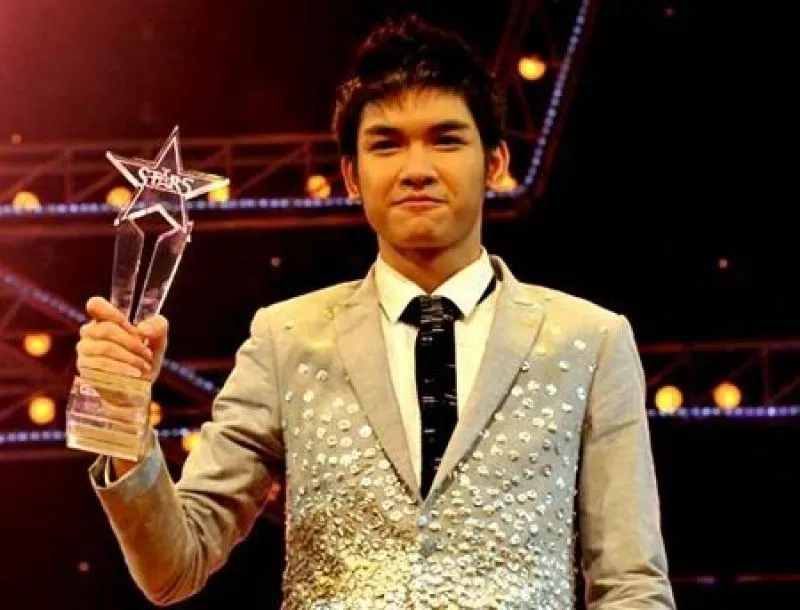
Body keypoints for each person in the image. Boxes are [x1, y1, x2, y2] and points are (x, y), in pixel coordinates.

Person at [77, 14, 675, 609]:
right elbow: (173, 569)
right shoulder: (286, 339)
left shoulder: (590, 341)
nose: (417, 170)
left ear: (495, 163)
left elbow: (631, 584)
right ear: (351, 175)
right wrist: (123, 420)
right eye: (387, 144)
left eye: (445, 139)